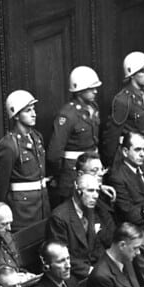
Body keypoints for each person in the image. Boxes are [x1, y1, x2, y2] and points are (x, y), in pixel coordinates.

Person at [0, 90, 50, 231]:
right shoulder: (9, 145)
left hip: (42, 207)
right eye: (28, 111)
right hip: (22, 213)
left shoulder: (37, 137)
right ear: (16, 115)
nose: (34, 114)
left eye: (33, 109)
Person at [47, 66, 102, 207]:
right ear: (80, 89)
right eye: (91, 88)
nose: (95, 91)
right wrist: (62, 175)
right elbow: (54, 155)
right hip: (72, 174)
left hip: (92, 170)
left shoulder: (93, 108)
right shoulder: (67, 115)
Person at [45, 172, 114, 281]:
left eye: (97, 191)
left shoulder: (90, 210)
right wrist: (91, 270)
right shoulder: (59, 217)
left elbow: (97, 245)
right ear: (78, 191)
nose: (96, 195)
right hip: (73, 274)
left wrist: (106, 265)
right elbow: (61, 257)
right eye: (90, 190)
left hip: (94, 268)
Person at [102, 51, 144, 165]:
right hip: (129, 158)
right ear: (132, 74)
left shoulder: (143, 96)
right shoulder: (123, 100)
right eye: (143, 71)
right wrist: (110, 163)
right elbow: (112, 135)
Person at [109, 131, 144, 225]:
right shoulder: (117, 176)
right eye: (137, 150)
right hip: (141, 225)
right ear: (125, 152)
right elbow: (128, 212)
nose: (142, 154)